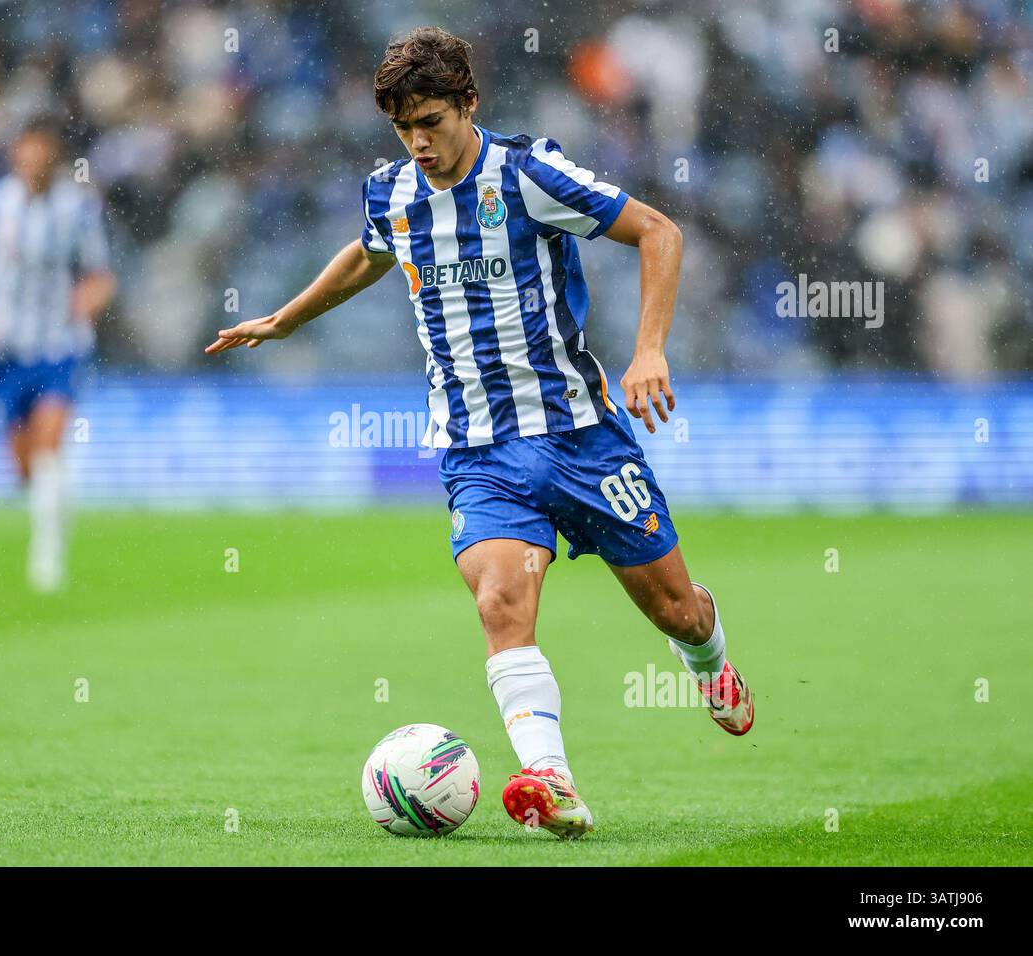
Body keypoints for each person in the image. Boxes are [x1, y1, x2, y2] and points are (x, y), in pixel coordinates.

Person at [206, 27, 753, 840]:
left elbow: (659, 232)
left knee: (675, 610)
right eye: (404, 128)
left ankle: (706, 654)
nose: (419, 142)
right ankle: (552, 782)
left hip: (580, 437)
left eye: (432, 120)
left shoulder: (529, 173)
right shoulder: (393, 192)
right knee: (501, 600)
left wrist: (647, 350)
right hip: (478, 449)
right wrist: (287, 319)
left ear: (469, 103)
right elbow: (368, 253)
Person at [0, 116, 116, 592]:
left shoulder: (78, 208)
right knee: (25, 466)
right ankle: (58, 502)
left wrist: (88, 301)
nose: (33, 158)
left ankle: (47, 558)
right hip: (5, 348)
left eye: (41, 150)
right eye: (26, 148)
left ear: (54, 156)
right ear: (15, 151)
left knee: (49, 443)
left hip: (59, 345)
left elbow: (100, 273)